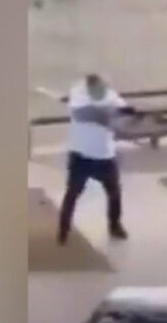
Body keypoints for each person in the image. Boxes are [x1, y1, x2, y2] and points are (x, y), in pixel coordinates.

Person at [57, 73, 137, 244]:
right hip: (81, 156)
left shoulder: (109, 95)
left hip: (105, 156)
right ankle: (63, 230)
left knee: (114, 193)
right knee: (72, 194)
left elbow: (120, 112)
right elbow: (85, 114)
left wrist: (125, 111)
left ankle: (114, 226)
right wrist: (112, 114)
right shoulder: (79, 97)